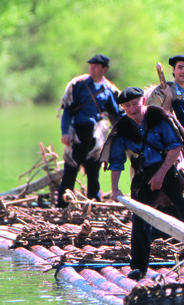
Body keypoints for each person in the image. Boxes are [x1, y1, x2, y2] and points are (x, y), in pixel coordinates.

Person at [104, 87, 184, 280]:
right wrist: (114, 188)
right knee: (140, 219)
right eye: (127, 106)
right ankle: (139, 266)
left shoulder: (160, 117)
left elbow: (175, 148)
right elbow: (116, 161)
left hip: (169, 168)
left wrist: (160, 175)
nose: (132, 109)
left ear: (144, 100)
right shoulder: (122, 126)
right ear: (122, 107)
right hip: (142, 173)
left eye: (135, 104)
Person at [57, 54, 124, 207]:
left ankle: (93, 203)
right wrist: (65, 132)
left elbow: (116, 112)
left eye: (96, 66)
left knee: (93, 171)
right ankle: (62, 205)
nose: (92, 68)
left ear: (104, 69)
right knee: (70, 169)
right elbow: (67, 109)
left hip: (96, 135)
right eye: (91, 66)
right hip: (77, 132)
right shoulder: (78, 84)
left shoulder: (109, 89)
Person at [146, 54, 184, 184]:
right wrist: (168, 99)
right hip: (167, 148)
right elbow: (152, 121)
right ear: (173, 70)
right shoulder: (160, 92)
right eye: (180, 67)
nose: (183, 71)